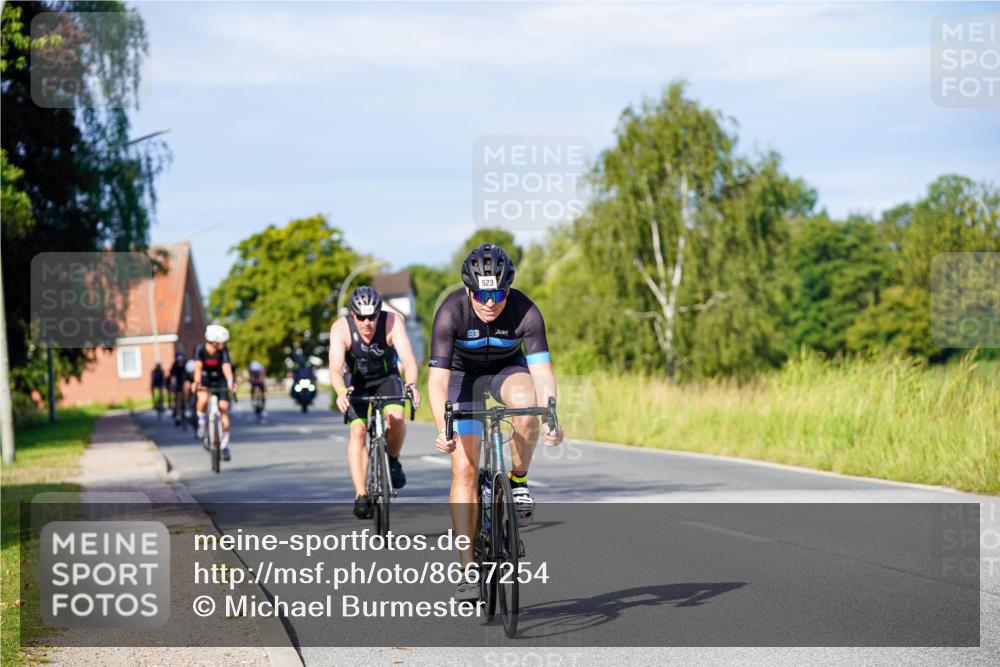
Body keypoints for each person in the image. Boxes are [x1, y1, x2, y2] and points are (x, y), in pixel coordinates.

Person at [427, 243, 564, 601]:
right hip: (461, 378)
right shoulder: (450, 312)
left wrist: (551, 413)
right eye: (482, 293)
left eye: (499, 292)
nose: (491, 302)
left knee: (527, 404)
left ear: (509, 289)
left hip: (507, 371)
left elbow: (542, 371)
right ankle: (467, 566)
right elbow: (437, 381)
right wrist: (444, 426)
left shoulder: (525, 311)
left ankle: (518, 480)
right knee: (465, 471)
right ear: (469, 290)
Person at [328, 286, 421, 519]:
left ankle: (392, 460)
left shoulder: (392, 322)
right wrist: (340, 391)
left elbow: (409, 359)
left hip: (386, 378)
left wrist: (411, 384)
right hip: (355, 382)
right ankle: (361, 493)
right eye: (361, 317)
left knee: (397, 419)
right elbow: (334, 367)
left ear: (379, 313)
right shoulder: (341, 328)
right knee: (358, 431)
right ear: (352, 314)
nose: (367, 322)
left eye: (372, 316)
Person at [193, 324, 236, 460]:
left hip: (220, 379)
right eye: (222, 343)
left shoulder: (223, 351)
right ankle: (201, 422)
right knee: (203, 399)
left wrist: (230, 382)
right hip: (205, 378)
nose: (224, 345)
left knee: (223, 407)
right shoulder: (200, 349)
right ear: (214, 342)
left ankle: (224, 445)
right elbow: (198, 367)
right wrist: (197, 382)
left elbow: (226, 366)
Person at [168, 352, 187, 424]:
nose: (180, 362)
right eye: (179, 360)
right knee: (178, 398)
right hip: (178, 383)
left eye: (181, 360)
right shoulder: (174, 365)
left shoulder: (186, 364)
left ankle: (188, 408)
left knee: (186, 394)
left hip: (185, 381)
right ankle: (178, 415)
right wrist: (173, 384)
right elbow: (173, 377)